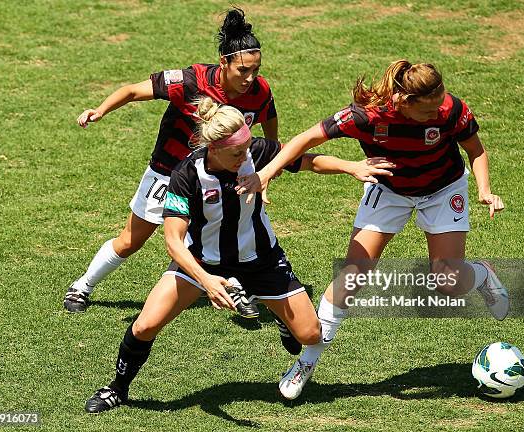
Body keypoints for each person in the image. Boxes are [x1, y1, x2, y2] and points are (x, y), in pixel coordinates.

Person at [83, 98, 394, 413]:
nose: (245, 157)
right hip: (201, 262)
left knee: (310, 335)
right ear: (214, 148)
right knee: (144, 326)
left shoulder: (255, 151)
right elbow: (174, 241)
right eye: (236, 153)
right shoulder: (186, 174)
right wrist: (206, 280)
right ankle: (117, 389)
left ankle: (275, 312)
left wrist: (351, 167)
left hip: (261, 260)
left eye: (246, 149)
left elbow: (307, 160)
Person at [236, 59, 509, 400]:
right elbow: (305, 139)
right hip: (389, 188)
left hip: (443, 189)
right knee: (352, 275)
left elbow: (476, 151)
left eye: (439, 104)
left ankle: (482, 275)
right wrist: (266, 173)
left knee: (449, 284)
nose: (436, 113)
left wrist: (483, 189)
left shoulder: (450, 109)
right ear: (404, 103)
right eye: (427, 111)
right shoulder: (367, 115)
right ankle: (306, 362)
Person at [64, 8, 279, 312]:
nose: (250, 78)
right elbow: (132, 91)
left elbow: (269, 123)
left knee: (234, 233)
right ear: (224, 62)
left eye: (256, 69)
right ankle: (82, 286)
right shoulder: (191, 81)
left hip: (222, 173)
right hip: (169, 172)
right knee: (131, 240)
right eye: (243, 70)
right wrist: (100, 110)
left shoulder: (258, 91)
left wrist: (266, 169)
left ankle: (240, 287)